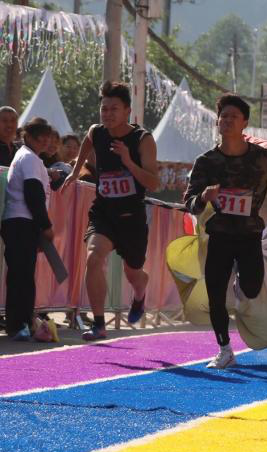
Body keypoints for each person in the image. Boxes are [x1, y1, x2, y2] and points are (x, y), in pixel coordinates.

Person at [183, 93, 267, 369]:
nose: (226, 120)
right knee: (215, 293)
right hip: (220, 235)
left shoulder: (263, 159)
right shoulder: (206, 162)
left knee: (250, 290)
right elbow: (189, 204)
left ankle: (242, 281)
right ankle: (225, 349)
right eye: (223, 116)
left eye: (233, 117)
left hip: (250, 235)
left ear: (244, 123)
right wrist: (204, 196)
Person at [61, 81, 160, 340]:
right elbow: (87, 141)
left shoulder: (142, 139)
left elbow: (154, 182)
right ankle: (99, 324)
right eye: (104, 109)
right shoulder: (98, 132)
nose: (107, 114)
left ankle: (140, 292)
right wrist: (75, 171)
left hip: (132, 217)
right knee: (94, 258)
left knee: (133, 273)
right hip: (104, 211)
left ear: (127, 110)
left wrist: (128, 160)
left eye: (113, 109)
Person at [1, 118, 54, 340]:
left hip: (20, 222)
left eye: (46, 136)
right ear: (28, 137)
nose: (43, 141)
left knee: (20, 275)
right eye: (38, 136)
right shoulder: (30, 159)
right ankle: (19, 324)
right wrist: (46, 225)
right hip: (22, 222)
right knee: (21, 276)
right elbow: (33, 193)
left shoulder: (27, 157)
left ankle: (22, 322)